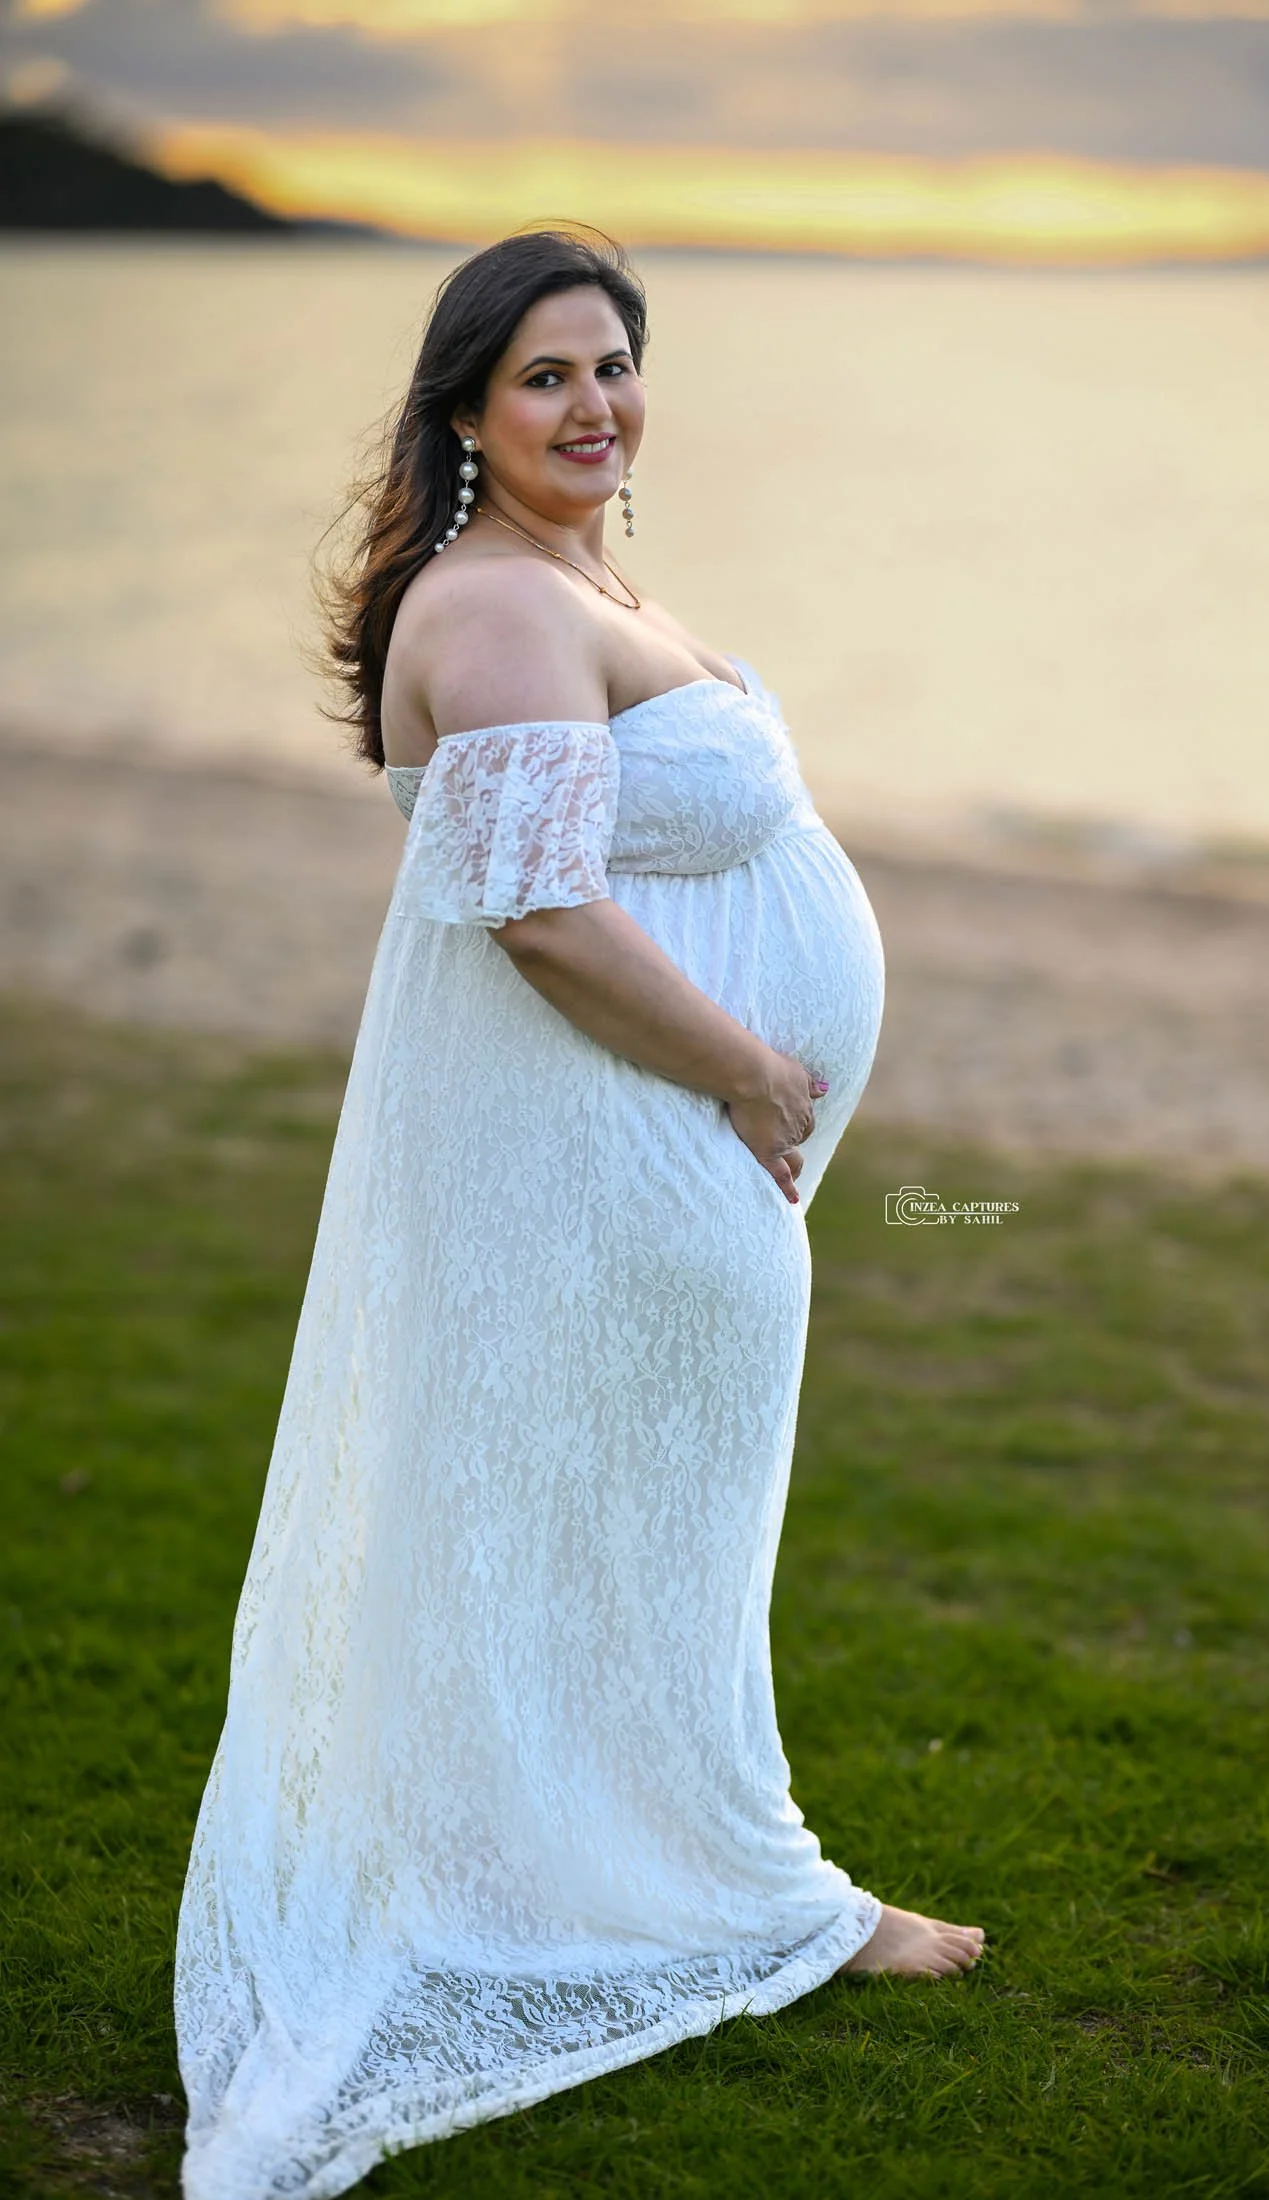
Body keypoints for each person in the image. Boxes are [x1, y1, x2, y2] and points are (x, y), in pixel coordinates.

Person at [174, 225, 984, 2200]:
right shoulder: (503, 609)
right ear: (465, 404)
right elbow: (534, 909)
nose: (593, 403)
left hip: (626, 1150)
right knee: (637, 1542)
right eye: (545, 375)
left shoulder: (564, 580)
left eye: (612, 364)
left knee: (632, 1541)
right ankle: (752, 1899)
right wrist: (747, 1066)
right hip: (618, 1146)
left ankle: (671, 1873)